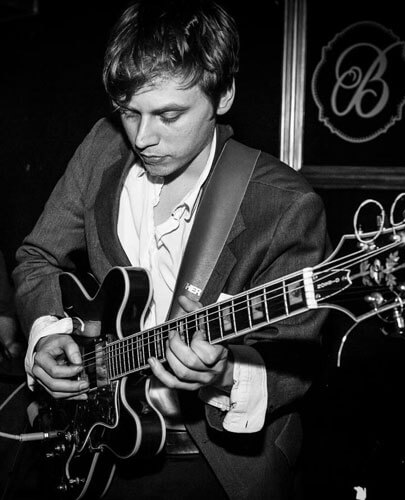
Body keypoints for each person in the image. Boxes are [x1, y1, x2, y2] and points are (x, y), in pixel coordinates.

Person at [13, 0, 331, 498]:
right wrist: (46, 335)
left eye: (169, 114)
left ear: (223, 95)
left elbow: (299, 357)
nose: (143, 137)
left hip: (216, 461)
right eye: (129, 112)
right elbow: (38, 258)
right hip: (101, 442)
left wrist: (226, 372)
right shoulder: (101, 148)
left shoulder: (285, 204)